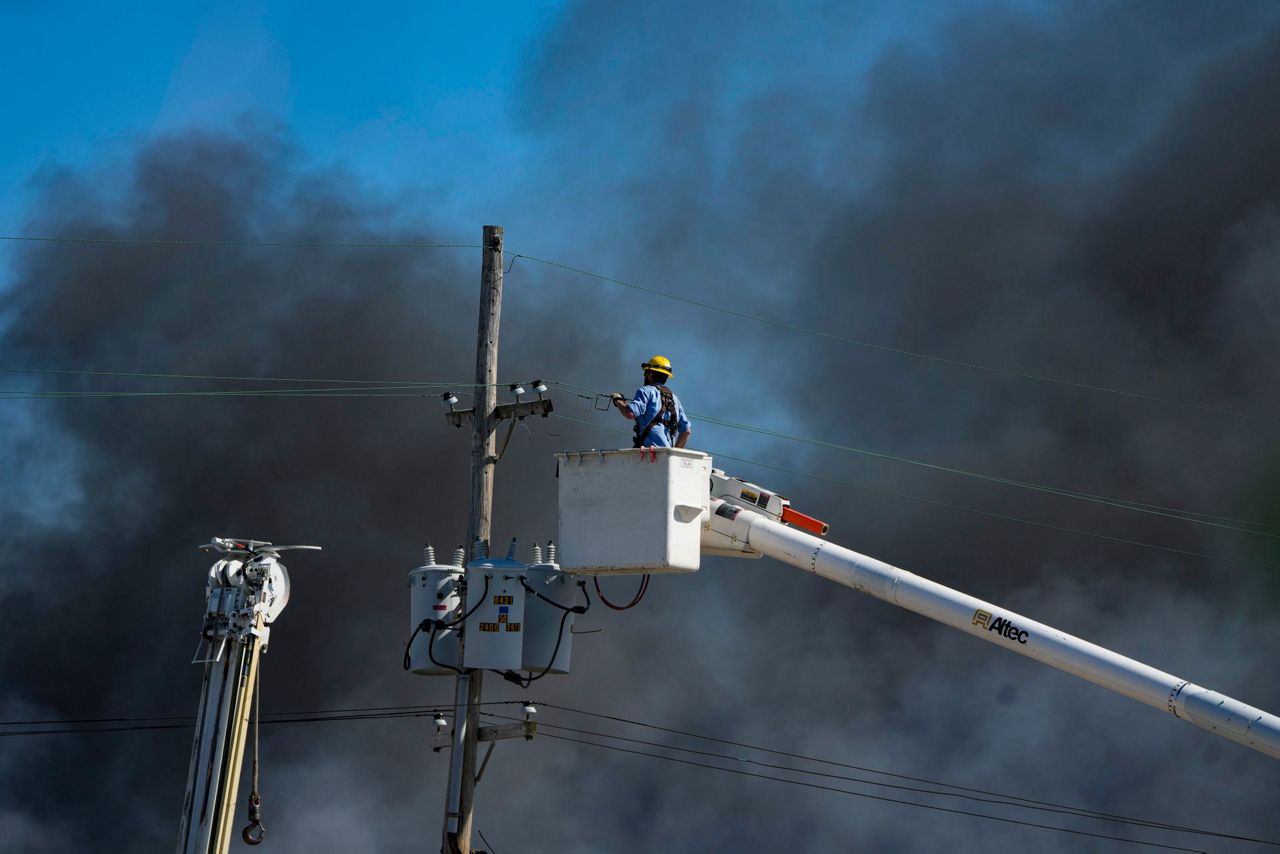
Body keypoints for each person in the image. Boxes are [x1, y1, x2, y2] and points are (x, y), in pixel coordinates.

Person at [611, 355, 692, 449]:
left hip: (649, 453)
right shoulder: (675, 400)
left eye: (646, 373)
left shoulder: (645, 391)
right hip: (666, 454)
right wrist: (674, 453)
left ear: (650, 374)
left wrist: (618, 401)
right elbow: (686, 431)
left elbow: (629, 414)